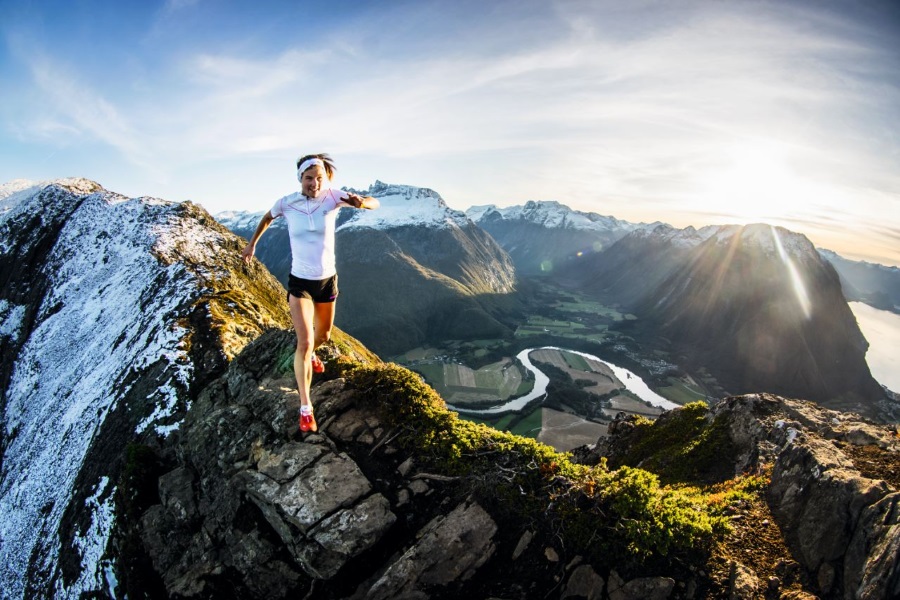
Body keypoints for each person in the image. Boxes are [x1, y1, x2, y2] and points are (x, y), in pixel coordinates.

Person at [242, 153, 379, 432]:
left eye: (318, 178)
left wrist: (361, 202)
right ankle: (306, 407)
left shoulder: (332, 196)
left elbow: (374, 203)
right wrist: (252, 244)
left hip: (327, 280)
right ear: (300, 179)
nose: (314, 183)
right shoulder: (287, 203)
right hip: (300, 283)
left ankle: (312, 354)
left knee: (324, 336)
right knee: (304, 343)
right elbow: (267, 218)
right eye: (308, 178)